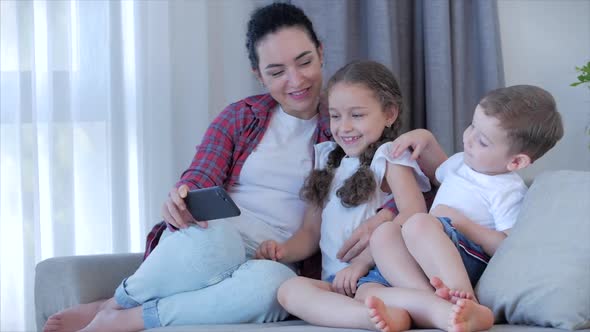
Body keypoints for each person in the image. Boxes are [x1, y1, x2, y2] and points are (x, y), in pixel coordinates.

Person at [42, 3, 401, 332]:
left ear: (321, 53)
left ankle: (132, 319)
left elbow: (397, 174)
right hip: (221, 234)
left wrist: (388, 212)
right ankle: (113, 304)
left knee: (271, 288)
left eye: (304, 62)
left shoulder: (347, 125)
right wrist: (182, 197)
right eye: (276, 71)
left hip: (278, 257)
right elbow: (201, 176)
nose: (295, 80)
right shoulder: (241, 117)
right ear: (259, 74)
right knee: (216, 241)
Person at [365, 84, 564, 331]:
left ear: (516, 161)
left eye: (482, 140)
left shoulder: (506, 190)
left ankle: (465, 300)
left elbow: (507, 246)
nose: (468, 138)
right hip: (427, 250)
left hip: (462, 253)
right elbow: (440, 174)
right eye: (472, 125)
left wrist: (461, 223)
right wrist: (425, 140)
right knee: (383, 234)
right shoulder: (462, 161)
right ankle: (426, 300)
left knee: (418, 223)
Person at [255, 60, 431, 331]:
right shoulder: (327, 160)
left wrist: (361, 263)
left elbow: (413, 211)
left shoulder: (389, 158)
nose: (344, 127)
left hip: (376, 275)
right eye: (336, 116)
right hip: (338, 282)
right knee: (289, 290)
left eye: (357, 115)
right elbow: (310, 233)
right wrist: (283, 251)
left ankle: (383, 309)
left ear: (389, 114)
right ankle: (374, 316)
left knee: (369, 291)